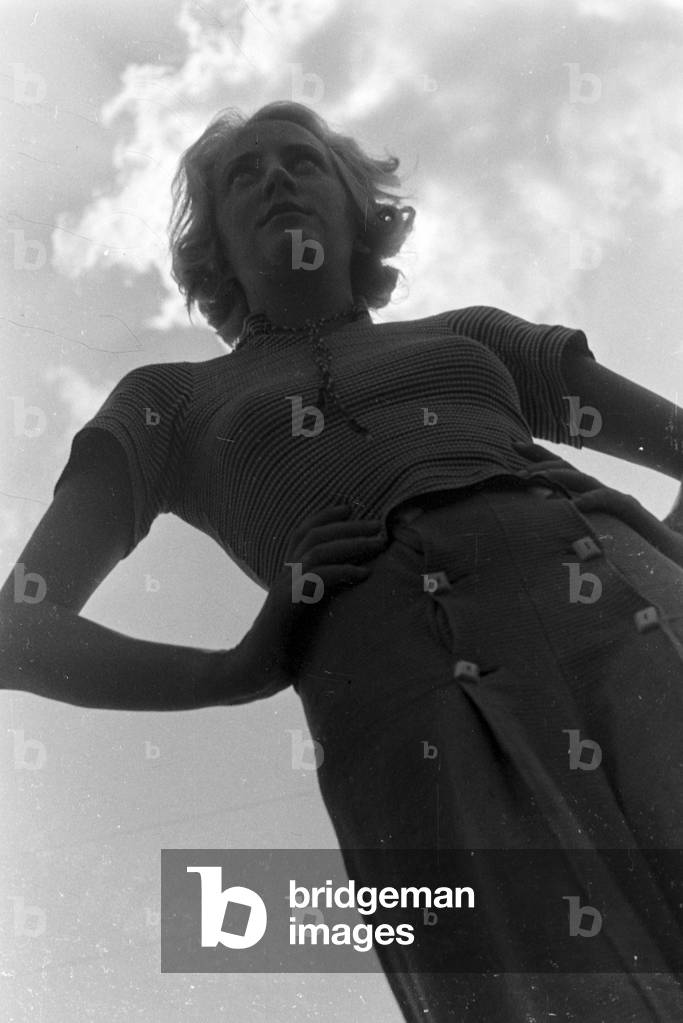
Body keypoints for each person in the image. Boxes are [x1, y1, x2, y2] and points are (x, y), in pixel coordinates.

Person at [2, 99, 683, 1021]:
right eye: (245, 173)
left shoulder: (472, 334)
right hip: (400, 698)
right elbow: (18, 630)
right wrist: (231, 669)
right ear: (214, 242)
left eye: (303, 160)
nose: (277, 176)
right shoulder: (168, 400)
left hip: (627, 611)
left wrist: (658, 566)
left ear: (357, 205)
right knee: (537, 983)